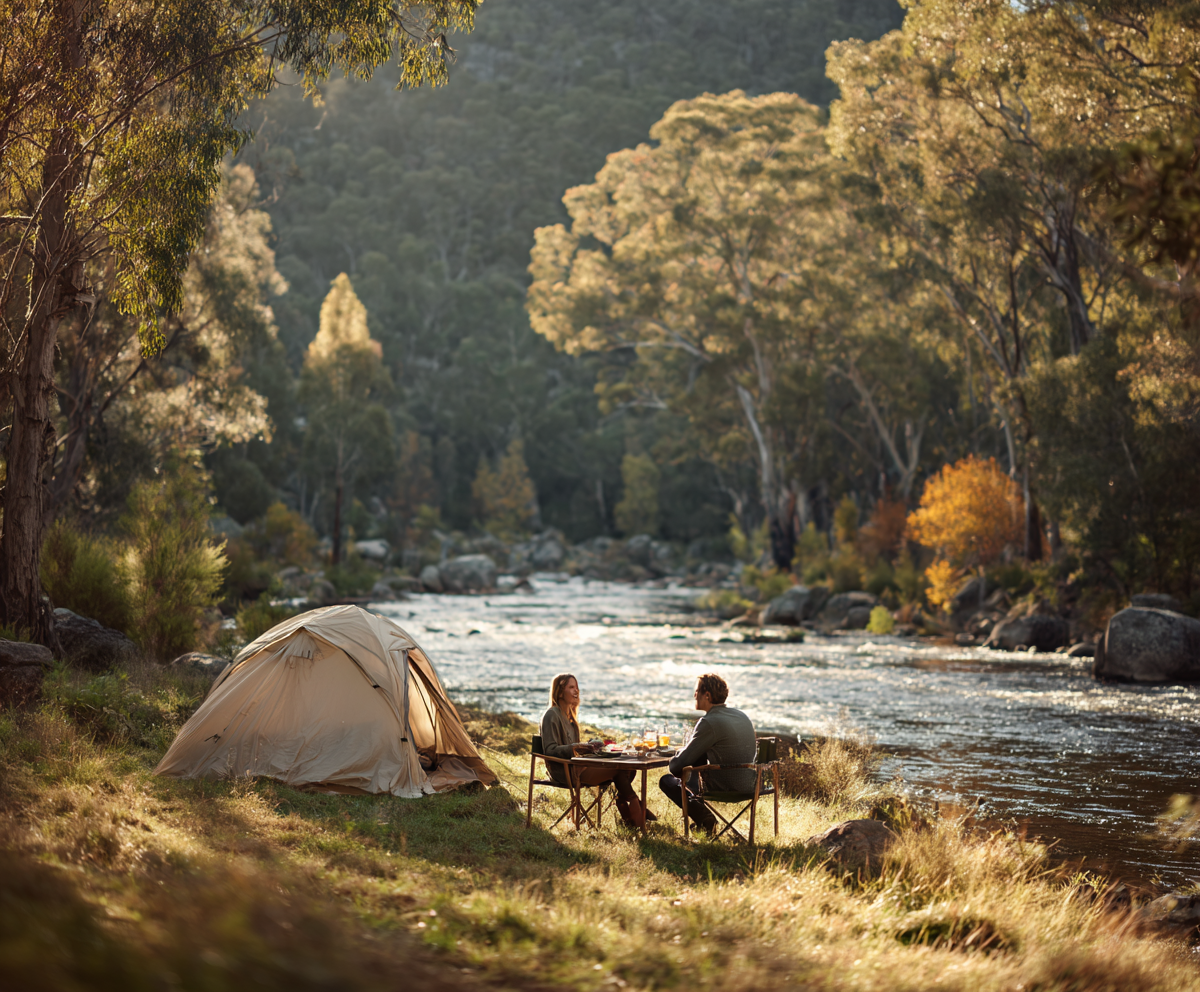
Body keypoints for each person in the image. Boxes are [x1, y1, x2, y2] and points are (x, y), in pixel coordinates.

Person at [540, 673, 648, 828]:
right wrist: (575, 748)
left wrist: (588, 746)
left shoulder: (570, 718)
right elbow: (549, 750)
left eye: (577, 687)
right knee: (620, 770)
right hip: (563, 771)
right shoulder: (551, 714)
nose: (576, 691)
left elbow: (574, 747)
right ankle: (639, 818)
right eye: (571, 687)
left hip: (577, 767)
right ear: (559, 691)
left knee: (628, 769)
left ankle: (634, 818)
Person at [658, 672, 756, 836]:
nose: (694, 695)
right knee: (699, 757)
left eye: (697, 691)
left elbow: (676, 767)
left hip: (725, 785)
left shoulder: (709, 722)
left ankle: (705, 819)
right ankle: (704, 822)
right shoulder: (741, 715)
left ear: (707, 695)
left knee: (667, 781)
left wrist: (678, 753)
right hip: (750, 783)